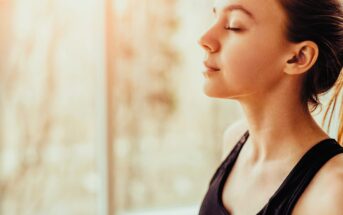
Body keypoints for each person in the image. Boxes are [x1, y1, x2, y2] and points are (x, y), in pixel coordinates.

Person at [197, 0, 343, 214]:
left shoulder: (333, 192)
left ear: (298, 57)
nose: (204, 39)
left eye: (234, 26)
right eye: (214, 16)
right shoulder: (234, 140)